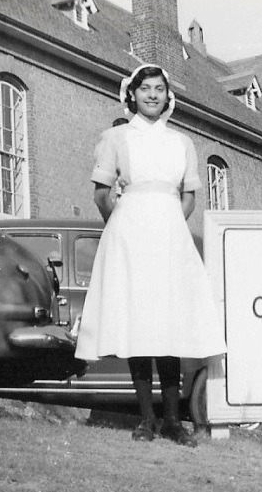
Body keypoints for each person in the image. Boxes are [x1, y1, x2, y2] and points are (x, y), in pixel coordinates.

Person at [74, 64, 226, 447]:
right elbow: (101, 194)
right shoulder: (115, 137)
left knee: (169, 325)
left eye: (159, 89)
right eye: (145, 89)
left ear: (167, 95)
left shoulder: (182, 143)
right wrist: (123, 225)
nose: (153, 95)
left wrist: (169, 225)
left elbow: (188, 197)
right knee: (138, 326)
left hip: (170, 239)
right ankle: (146, 419)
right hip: (130, 238)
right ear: (132, 94)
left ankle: (173, 421)